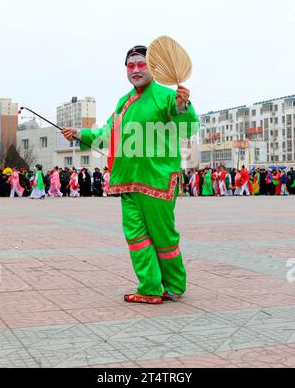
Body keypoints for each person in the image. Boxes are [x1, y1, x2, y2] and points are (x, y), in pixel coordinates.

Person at [62, 44, 199, 304]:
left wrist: (183, 106)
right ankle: (150, 288)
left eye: (141, 64)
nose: (135, 70)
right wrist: (79, 133)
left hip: (157, 178)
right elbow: (106, 135)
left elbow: (189, 127)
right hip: (127, 181)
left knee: (163, 237)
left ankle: (174, 285)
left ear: (153, 67)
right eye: (130, 65)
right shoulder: (123, 102)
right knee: (136, 237)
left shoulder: (168, 96)